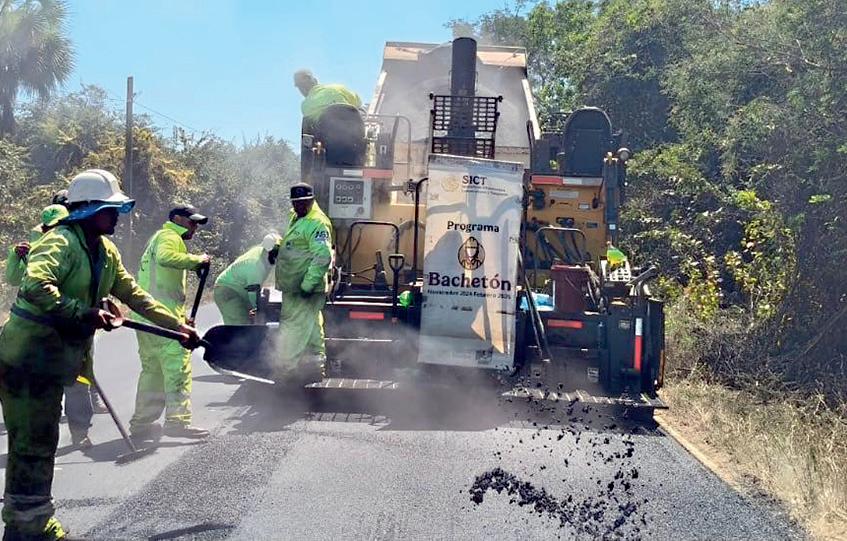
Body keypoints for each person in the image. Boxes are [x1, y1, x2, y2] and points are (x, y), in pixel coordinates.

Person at [0, 169, 198, 541]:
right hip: (26, 356)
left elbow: (135, 295)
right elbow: (35, 285)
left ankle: (33, 521)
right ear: (88, 209)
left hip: (55, 357)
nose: (116, 217)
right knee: (31, 442)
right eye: (110, 210)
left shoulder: (105, 252)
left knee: (41, 440)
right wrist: (84, 312)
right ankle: (24, 527)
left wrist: (177, 326)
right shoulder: (59, 242)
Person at [4, 203, 105, 449]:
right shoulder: (35, 248)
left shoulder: (78, 246)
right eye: (48, 227)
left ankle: (80, 432)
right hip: (42, 326)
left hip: (73, 325)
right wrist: (15, 257)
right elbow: (14, 279)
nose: (53, 230)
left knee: (78, 381)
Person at [129, 204, 211, 439]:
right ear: (177, 219)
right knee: (178, 368)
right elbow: (166, 258)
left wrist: (182, 316)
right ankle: (177, 422)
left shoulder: (157, 238)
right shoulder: (169, 236)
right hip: (162, 318)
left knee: (152, 371)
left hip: (148, 315)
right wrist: (197, 260)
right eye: (192, 222)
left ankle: (142, 423)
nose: (195, 227)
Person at [274, 182, 333, 384]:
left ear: (312, 200)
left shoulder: (317, 223)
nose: (298, 206)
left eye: (303, 202)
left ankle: (285, 370)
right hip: (295, 287)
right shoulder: (297, 217)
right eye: (295, 202)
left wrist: (307, 285)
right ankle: (316, 364)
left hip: (303, 289)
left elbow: (323, 256)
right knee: (312, 325)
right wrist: (278, 247)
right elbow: (296, 245)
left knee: (293, 327)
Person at [294, 69, 366, 166]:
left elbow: (310, 128)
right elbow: (359, 104)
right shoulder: (339, 88)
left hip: (329, 148)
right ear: (315, 80)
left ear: (301, 88)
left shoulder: (306, 105)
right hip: (356, 141)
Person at [213, 233, 281, 325]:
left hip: (239, 291)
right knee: (240, 325)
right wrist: (256, 309)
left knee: (249, 322)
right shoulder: (256, 265)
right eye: (277, 252)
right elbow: (253, 292)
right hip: (228, 291)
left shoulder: (262, 254)